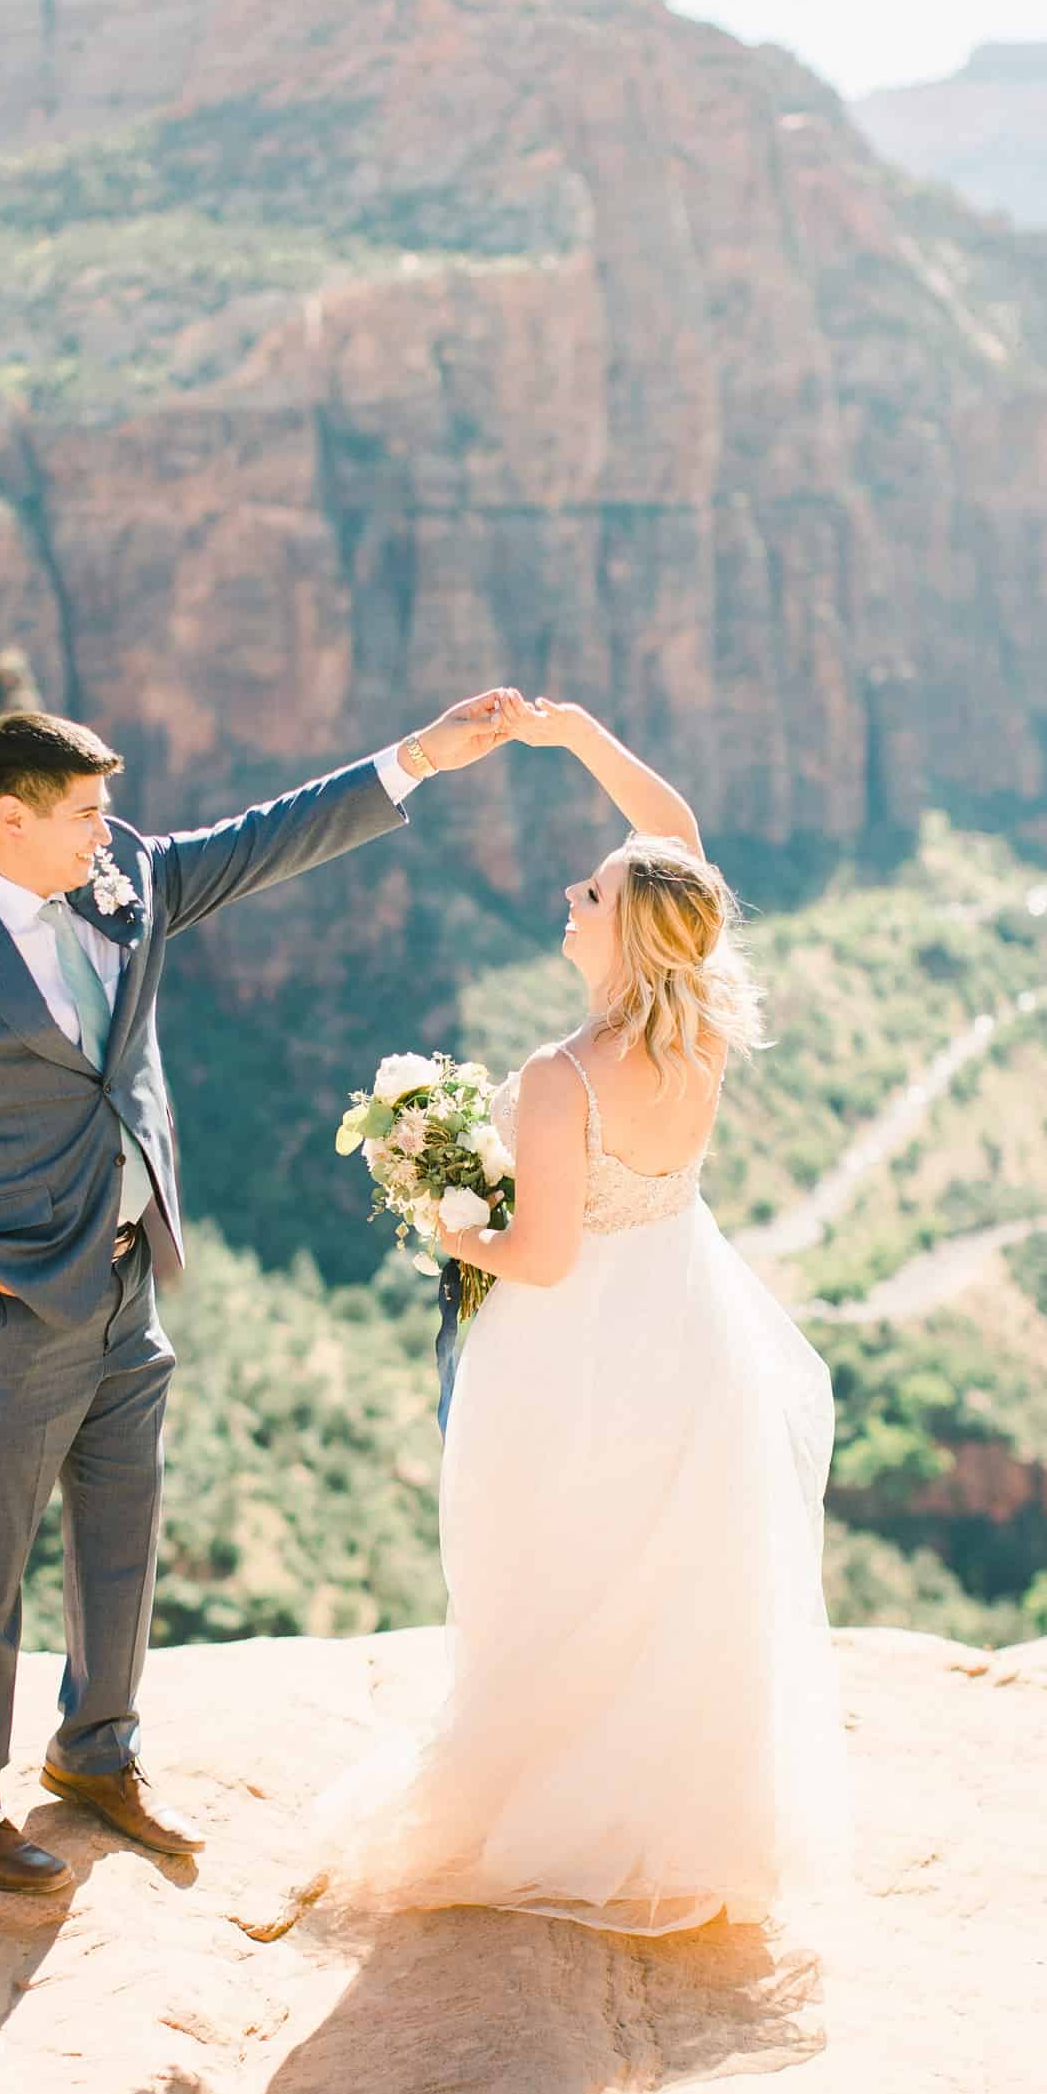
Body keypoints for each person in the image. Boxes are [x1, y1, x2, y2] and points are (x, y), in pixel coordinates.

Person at [0, 697, 513, 1894]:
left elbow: (260, 839)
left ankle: (96, 1755)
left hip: (125, 1285)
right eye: (82, 811)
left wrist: (420, 757)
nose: (108, 828)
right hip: (1, 1313)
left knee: (120, 1543)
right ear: (10, 817)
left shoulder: (123, 876)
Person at [244, 693, 851, 1942]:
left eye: (589, 892)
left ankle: (541, 1808)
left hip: (571, 1354)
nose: (570, 895)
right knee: (666, 1573)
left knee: (554, 1569)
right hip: (685, 1330)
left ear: (625, 928)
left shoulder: (561, 1074)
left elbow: (544, 1253)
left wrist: (442, 1220)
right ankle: (671, 1825)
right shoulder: (701, 1017)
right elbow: (672, 834)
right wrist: (576, 736)